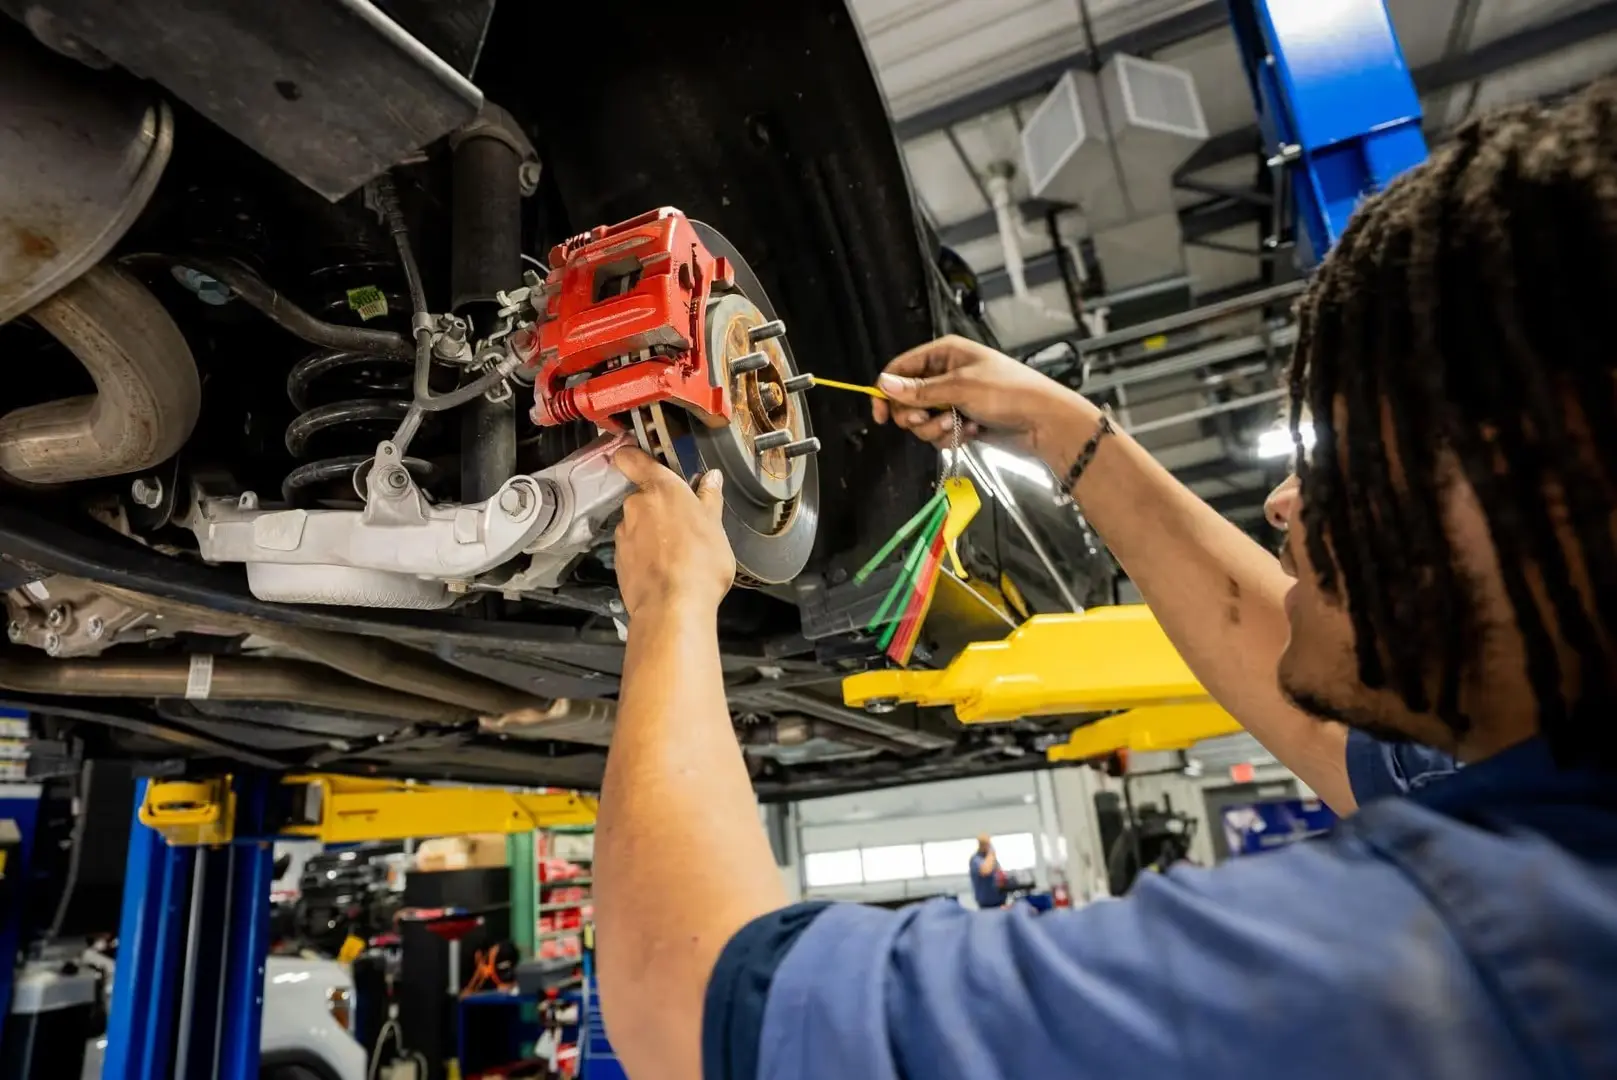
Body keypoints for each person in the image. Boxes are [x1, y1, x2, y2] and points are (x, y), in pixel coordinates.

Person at [593, 85, 1617, 1080]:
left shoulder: (1443, 970)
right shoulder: (1550, 823)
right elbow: (1298, 691)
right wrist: (1069, 430)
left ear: (1547, 472)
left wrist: (674, 608)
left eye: (1351, 456)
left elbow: (693, 1007)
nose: (1288, 503)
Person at [968, 834, 1005, 908]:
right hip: (986, 904)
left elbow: (999, 873)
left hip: (999, 901)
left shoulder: (991, 859)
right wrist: (991, 854)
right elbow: (985, 871)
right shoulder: (976, 859)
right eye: (986, 844)